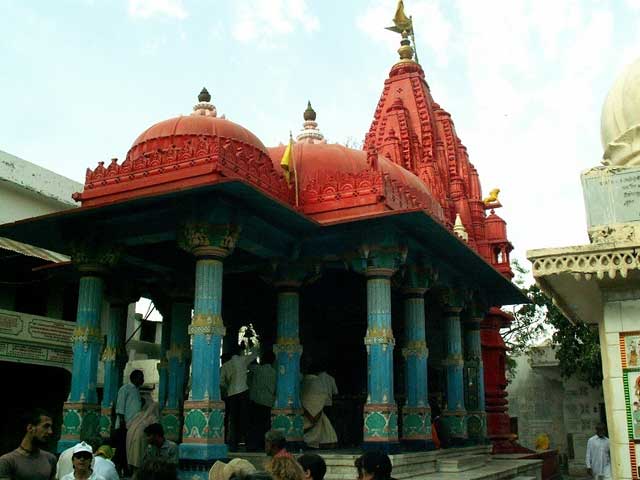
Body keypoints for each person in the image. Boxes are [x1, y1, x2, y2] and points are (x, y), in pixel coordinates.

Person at [0, 408, 56, 480]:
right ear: (30, 428)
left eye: (51, 427)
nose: (50, 432)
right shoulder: (7, 461)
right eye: (46, 426)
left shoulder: (50, 459)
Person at [220, 343, 258, 450]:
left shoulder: (225, 366)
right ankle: (249, 444)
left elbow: (221, 382)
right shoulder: (242, 360)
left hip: (231, 395)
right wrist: (250, 345)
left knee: (233, 420)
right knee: (245, 419)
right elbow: (254, 354)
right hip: (243, 393)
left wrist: (228, 387)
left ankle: (233, 444)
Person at [114, 369, 144, 473]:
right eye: (141, 377)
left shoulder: (137, 391)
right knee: (121, 450)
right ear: (134, 378)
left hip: (133, 425)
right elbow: (120, 406)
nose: (142, 380)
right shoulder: (125, 388)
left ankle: (127, 470)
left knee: (128, 450)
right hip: (124, 425)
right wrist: (122, 422)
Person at [301, 368, 338, 448]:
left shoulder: (305, 380)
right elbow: (334, 393)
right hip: (323, 406)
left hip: (312, 408)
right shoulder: (326, 379)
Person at [248, 351, 277, 451]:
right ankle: (263, 445)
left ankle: (253, 445)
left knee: (255, 426)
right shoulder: (274, 372)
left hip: (256, 401)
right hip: (268, 402)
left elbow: (248, 365)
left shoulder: (258, 369)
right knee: (265, 426)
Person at [126, 395, 160, 471]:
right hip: (141, 440)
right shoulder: (152, 417)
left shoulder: (139, 415)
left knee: (134, 458)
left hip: (131, 439)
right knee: (139, 459)